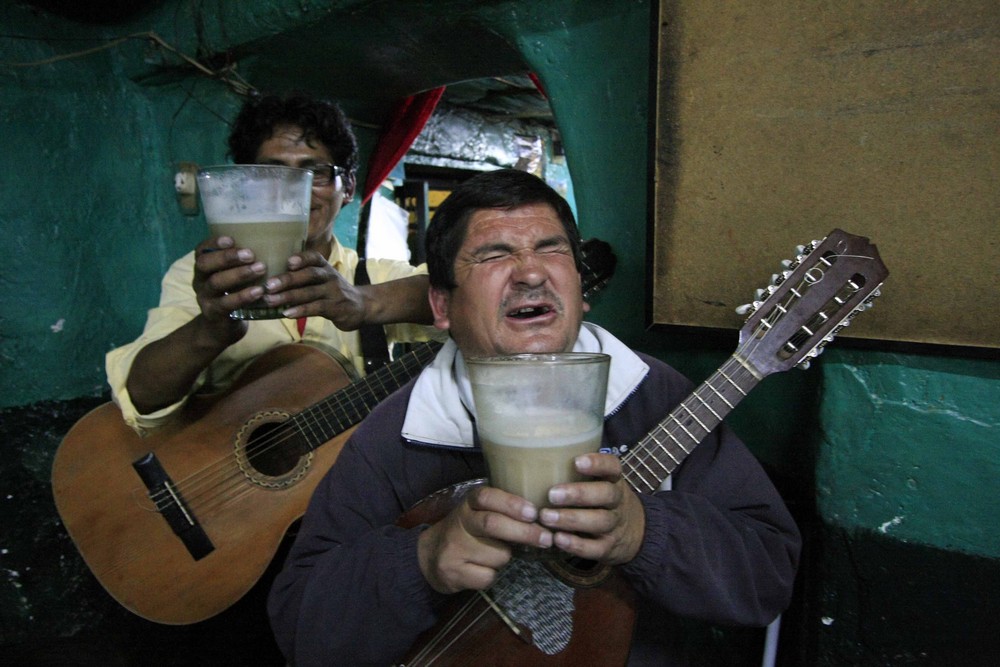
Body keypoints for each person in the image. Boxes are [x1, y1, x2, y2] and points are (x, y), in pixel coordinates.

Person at [267, 168, 801, 665]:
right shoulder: (399, 431)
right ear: (441, 307)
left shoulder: (656, 396)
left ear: (580, 289)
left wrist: (646, 532)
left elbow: (768, 576)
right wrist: (420, 562)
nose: (529, 273)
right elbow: (300, 631)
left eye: (551, 249)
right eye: (494, 255)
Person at [106, 93, 436, 435]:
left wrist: (363, 302)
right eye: (271, 175)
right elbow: (143, 398)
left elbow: (459, 294)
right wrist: (210, 330)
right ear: (243, 188)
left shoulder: (373, 276)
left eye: (315, 173)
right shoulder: (208, 278)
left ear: (348, 187)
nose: (293, 193)